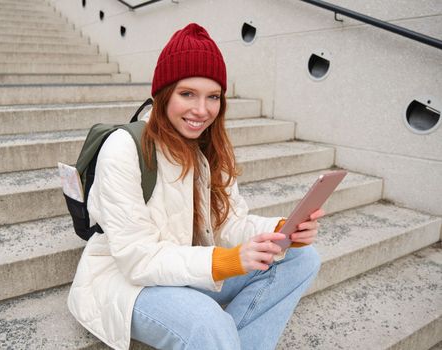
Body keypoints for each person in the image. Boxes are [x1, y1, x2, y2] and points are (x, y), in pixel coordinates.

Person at [68, 23, 324, 350]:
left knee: (301, 258)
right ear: (163, 94)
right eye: (187, 94)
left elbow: (229, 223)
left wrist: (281, 229)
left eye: (212, 97)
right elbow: (137, 258)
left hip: (188, 268)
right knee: (207, 321)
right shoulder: (123, 148)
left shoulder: (208, 146)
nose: (201, 110)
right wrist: (224, 262)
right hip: (128, 281)